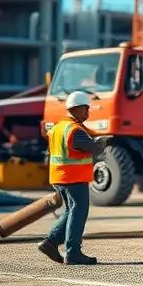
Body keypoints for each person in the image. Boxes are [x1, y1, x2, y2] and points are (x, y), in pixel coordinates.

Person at [38, 91, 112, 265]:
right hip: (73, 178)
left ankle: (50, 242)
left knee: (71, 210)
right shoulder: (75, 130)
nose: (88, 113)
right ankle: (73, 252)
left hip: (60, 177)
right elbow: (91, 148)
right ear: (76, 108)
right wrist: (102, 144)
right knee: (78, 211)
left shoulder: (58, 127)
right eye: (86, 109)